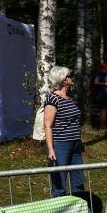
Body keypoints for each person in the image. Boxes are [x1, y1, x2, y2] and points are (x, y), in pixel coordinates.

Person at [43, 66, 84, 197]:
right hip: (60, 145)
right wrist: (50, 149)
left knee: (78, 182)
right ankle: (60, 209)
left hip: (75, 145)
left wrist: (79, 141)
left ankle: (78, 207)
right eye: (69, 76)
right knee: (59, 184)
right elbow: (47, 126)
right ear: (63, 80)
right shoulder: (53, 99)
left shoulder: (70, 99)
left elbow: (74, 122)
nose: (71, 78)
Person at [92, 62, 107, 137]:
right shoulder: (99, 74)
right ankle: (102, 126)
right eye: (104, 69)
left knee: (105, 110)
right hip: (104, 95)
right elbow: (96, 82)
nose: (105, 71)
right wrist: (105, 84)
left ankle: (105, 126)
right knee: (103, 110)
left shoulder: (105, 75)